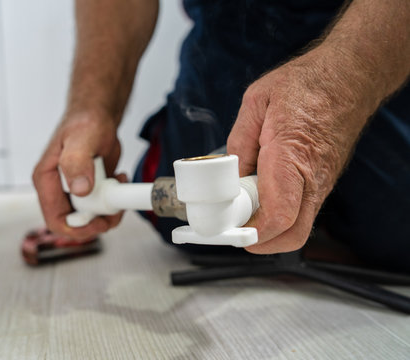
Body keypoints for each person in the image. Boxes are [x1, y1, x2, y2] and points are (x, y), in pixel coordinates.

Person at [33, 0, 410, 272]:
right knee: (178, 220)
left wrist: (336, 89)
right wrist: (91, 109)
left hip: (370, 25)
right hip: (233, 22)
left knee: (397, 239)